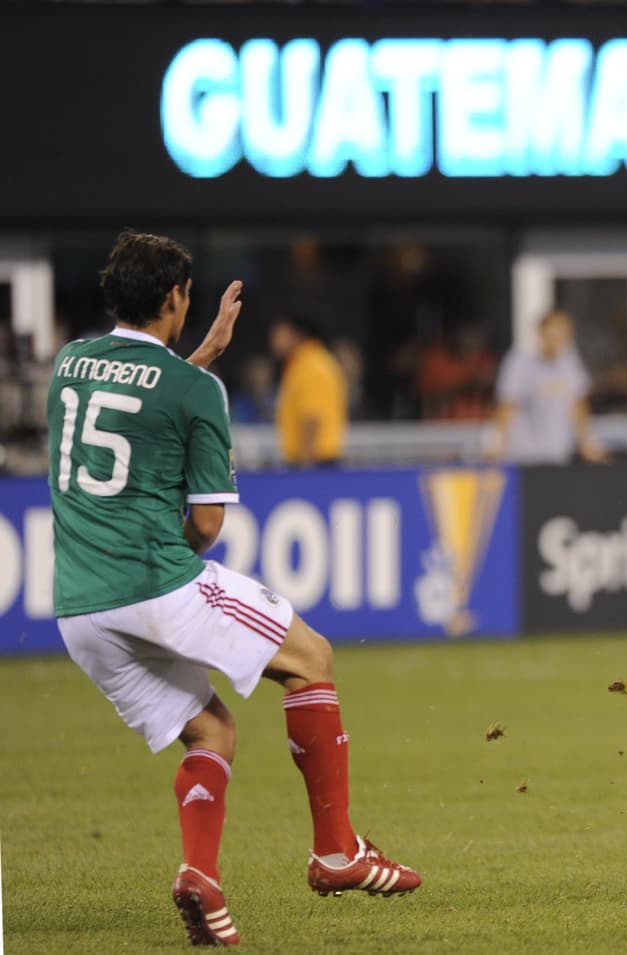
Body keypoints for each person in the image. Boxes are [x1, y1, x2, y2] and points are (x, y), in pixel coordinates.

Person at [48, 232, 420, 947]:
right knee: (311, 657)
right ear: (175, 297)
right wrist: (197, 376)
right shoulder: (198, 392)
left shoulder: (70, 365)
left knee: (211, 731)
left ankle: (201, 875)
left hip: (79, 609)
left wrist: (195, 359)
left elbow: (131, 397)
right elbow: (208, 524)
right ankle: (336, 851)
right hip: (155, 580)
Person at [489, 308, 608, 464]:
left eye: (565, 336)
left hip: (559, 455)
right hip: (524, 457)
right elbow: (507, 406)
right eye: (555, 335)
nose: (560, 341)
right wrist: (497, 444)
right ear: (542, 334)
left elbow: (578, 404)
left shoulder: (569, 360)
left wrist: (587, 441)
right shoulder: (519, 361)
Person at [269, 313, 348, 467]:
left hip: (314, 463)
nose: (274, 341)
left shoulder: (310, 365)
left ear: (298, 334)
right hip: (314, 461)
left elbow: (312, 417)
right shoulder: (307, 362)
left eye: (279, 334)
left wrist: (305, 468)